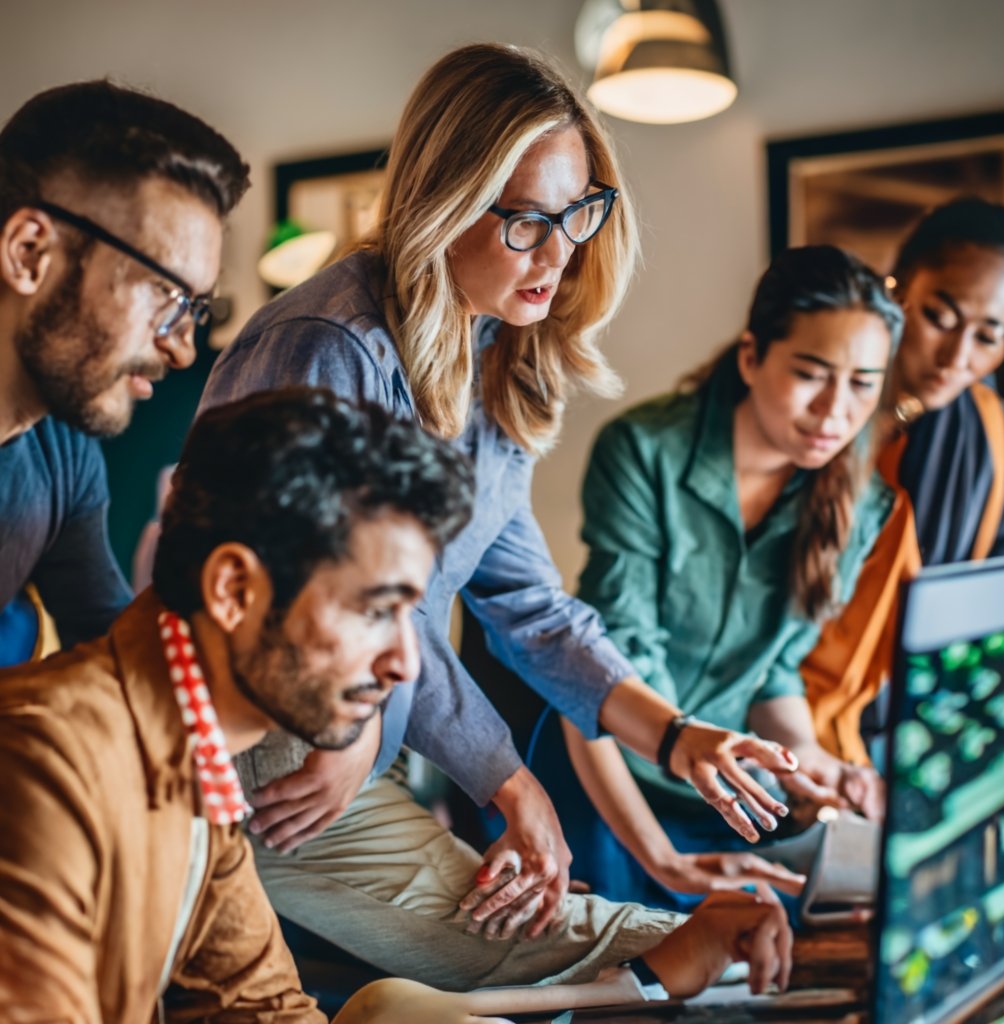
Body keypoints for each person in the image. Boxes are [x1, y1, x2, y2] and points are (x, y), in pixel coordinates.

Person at [198, 42, 801, 988]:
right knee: (536, 942)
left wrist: (678, 737)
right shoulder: (332, 347)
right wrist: (505, 777)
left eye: (578, 214)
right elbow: (339, 602)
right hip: (267, 764)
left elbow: (529, 608)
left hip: (361, 750)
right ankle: (712, 959)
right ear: (442, 202)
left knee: (548, 930)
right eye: (526, 221)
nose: (560, 254)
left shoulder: (493, 354)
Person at [0, 389, 474, 1022]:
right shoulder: (44, 765)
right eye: (374, 611)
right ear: (233, 590)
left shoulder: (194, 757)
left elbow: (263, 1006)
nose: (404, 664)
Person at [530, 246, 901, 914]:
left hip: (727, 793)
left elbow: (774, 671)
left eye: (863, 384)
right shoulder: (643, 452)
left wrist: (805, 762)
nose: (835, 412)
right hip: (605, 775)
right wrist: (661, 854)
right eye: (811, 375)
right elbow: (599, 675)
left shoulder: (864, 505)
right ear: (752, 356)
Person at [0, 79, 249, 663]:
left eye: (195, 309)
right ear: (29, 253)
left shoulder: (61, 451)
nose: (183, 350)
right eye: (167, 293)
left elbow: (113, 654)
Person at [804, 198, 1004, 764]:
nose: (956, 356)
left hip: (903, 732)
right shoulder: (814, 403)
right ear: (897, 288)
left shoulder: (997, 439)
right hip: (770, 712)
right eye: (940, 318)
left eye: (988, 337)